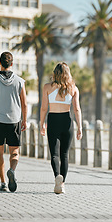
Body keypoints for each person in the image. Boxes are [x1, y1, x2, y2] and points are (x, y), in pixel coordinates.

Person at [0, 51, 27, 192]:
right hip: (15, 121)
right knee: (15, 152)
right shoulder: (20, 81)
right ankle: (12, 170)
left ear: (0, 63)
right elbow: (24, 104)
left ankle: (3, 183)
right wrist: (24, 120)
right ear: (12, 63)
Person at [40, 62, 82, 194]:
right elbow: (77, 109)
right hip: (67, 122)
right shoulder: (73, 88)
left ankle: (57, 176)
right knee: (64, 155)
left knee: (54, 154)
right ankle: (62, 184)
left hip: (53, 120)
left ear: (55, 73)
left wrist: (42, 123)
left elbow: (44, 108)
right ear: (67, 74)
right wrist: (80, 127)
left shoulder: (47, 87)